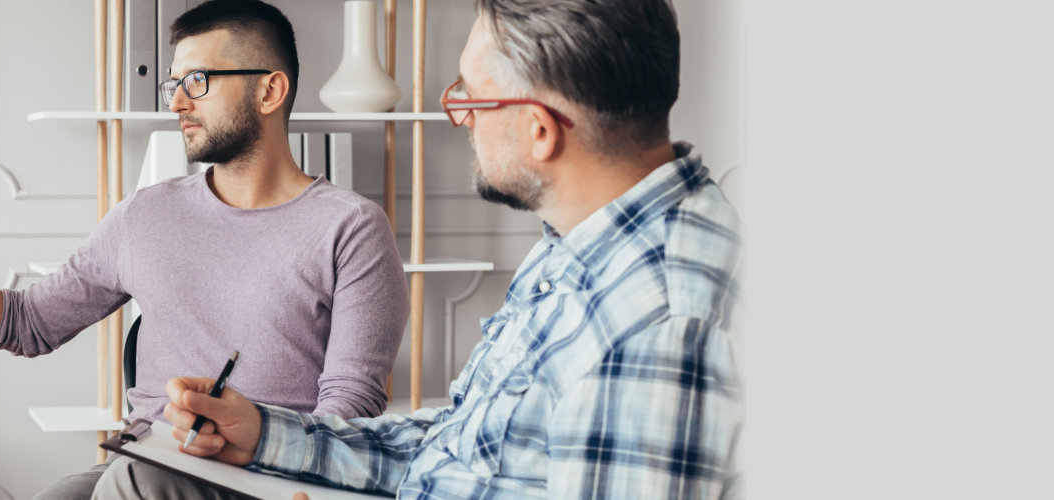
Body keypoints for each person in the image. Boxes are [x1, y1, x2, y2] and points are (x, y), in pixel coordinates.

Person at [146, 0, 743, 498]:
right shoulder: (580, 244)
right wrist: (266, 435)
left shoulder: (658, 322)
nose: (460, 119)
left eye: (470, 99)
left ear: (540, 130)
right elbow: (459, 446)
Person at [0, 1, 407, 498]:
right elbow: (27, 323)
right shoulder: (147, 215)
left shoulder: (351, 228)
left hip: (267, 479)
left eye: (198, 81)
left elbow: (347, 411)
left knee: (130, 486)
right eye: (174, 83)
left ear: (269, 90)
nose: (178, 102)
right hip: (146, 461)